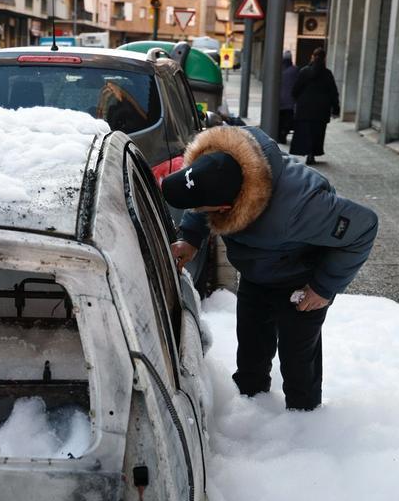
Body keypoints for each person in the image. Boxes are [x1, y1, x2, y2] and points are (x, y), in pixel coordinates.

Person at [161, 126, 378, 411]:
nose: (200, 212)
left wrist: (323, 287)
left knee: (298, 364)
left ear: (227, 207)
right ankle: (252, 413)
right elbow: (201, 199)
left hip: (303, 281)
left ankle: (304, 424)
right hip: (257, 273)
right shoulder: (220, 162)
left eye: (204, 209)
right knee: (251, 353)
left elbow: (364, 227)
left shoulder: (301, 208)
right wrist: (190, 238)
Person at [290, 47, 340, 165]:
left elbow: (295, 90)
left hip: (305, 109)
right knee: (317, 133)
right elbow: (333, 92)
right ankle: (312, 153)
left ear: (312, 56)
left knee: (305, 132)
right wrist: (336, 107)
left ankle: (307, 152)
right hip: (321, 110)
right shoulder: (327, 74)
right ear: (324, 59)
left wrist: (298, 100)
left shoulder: (304, 71)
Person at [278, 51, 299, 145]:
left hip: (278, 102)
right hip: (290, 102)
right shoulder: (295, 70)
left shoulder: (278, 69)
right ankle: (283, 134)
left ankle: (279, 135)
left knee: (280, 120)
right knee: (287, 121)